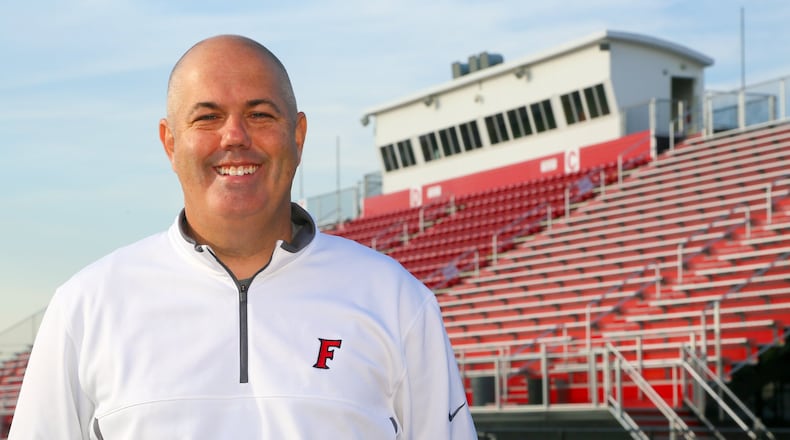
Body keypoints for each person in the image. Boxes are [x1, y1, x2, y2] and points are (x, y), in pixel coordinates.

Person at [8, 35, 477, 439]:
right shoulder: (86, 308)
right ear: (170, 142)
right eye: (207, 117)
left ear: (298, 134)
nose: (234, 136)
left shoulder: (396, 301)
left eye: (259, 114)